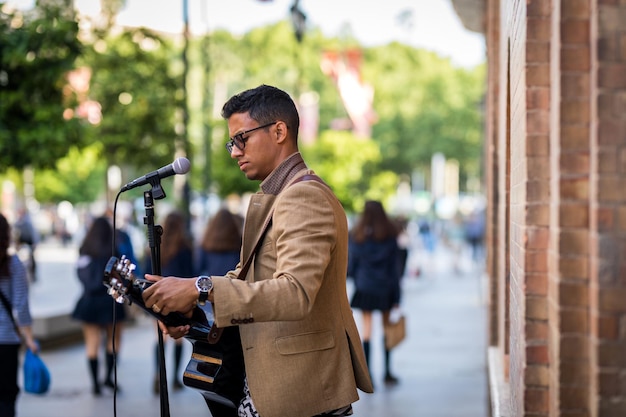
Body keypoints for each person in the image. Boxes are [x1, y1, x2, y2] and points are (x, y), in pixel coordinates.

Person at [142, 84, 373, 417]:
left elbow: (295, 292)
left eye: (241, 138)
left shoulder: (303, 196)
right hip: (276, 385)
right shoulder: (281, 196)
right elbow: (247, 278)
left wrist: (199, 288)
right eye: (231, 142)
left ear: (279, 131)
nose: (234, 151)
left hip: (299, 391)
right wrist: (193, 305)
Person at [193, 207, 243, 417]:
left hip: (211, 309)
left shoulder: (206, 244)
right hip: (236, 304)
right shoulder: (238, 242)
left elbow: (199, 272)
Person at [347, 200, 402, 386]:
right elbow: (395, 270)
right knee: (387, 328)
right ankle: (387, 373)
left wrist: (356, 278)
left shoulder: (356, 236)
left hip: (364, 287)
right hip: (385, 288)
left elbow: (351, 266)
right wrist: (397, 296)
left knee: (367, 331)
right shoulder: (390, 235)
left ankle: (368, 375)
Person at [71, 216, 126, 396]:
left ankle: (95, 384)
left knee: (91, 342)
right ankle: (109, 378)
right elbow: (119, 277)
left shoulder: (84, 249)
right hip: (110, 300)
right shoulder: (112, 249)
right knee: (114, 341)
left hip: (89, 301)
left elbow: (80, 274)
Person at [142, 210, 195, 394]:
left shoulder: (154, 248)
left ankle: (158, 375)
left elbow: (146, 274)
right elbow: (191, 274)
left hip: (156, 297)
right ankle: (174, 379)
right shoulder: (184, 247)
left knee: (160, 337)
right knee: (178, 339)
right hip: (178, 298)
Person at [0, 213, 39, 417]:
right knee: (6, 397)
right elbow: (21, 305)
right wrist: (30, 339)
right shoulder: (13, 264)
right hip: (6, 341)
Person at [14, 208, 39, 283]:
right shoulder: (16, 223)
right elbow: (15, 235)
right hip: (21, 244)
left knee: (32, 260)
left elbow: (33, 233)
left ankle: (33, 274)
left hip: (29, 243)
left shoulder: (28, 223)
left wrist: (34, 243)